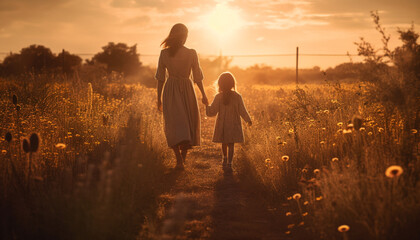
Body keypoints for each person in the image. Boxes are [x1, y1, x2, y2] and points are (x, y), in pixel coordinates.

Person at [155, 23, 209, 169]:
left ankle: (180, 160)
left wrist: (159, 98)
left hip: (172, 89)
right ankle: (181, 159)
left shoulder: (166, 53)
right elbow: (197, 77)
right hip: (185, 89)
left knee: (178, 124)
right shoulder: (187, 53)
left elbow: (161, 79)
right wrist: (203, 94)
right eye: (185, 35)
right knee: (183, 124)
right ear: (182, 36)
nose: (185, 38)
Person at [205, 72, 252, 170]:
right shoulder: (237, 96)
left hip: (222, 124)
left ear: (220, 84)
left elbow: (212, 112)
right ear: (232, 84)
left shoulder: (218, 97)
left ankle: (224, 158)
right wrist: (248, 120)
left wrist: (206, 106)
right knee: (231, 144)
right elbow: (242, 110)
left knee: (224, 142)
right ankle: (230, 163)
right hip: (233, 124)